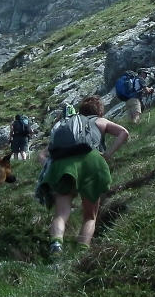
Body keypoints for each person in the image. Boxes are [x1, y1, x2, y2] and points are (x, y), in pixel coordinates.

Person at [37, 95, 129, 255]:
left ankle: (56, 245)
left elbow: (42, 155)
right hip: (91, 162)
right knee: (90, 217)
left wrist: (52, 168)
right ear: (100, 111)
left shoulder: (68, 126)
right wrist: (107, 154)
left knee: (61, 214)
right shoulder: (100, 121)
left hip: (63, 165)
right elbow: (124, 133)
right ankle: (81, 253)